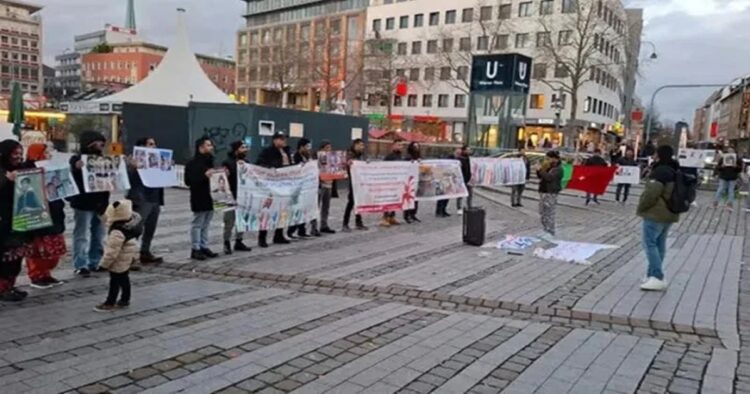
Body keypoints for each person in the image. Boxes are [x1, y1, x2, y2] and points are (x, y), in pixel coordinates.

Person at [636, 145, 680, 291]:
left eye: (656, 154)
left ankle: (657, 276)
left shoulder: (660, 171)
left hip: (656, 212)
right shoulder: (675, 169)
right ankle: (652, 274)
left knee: (649, 243)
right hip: (670, 212)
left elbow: (651, 193)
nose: (654, 156)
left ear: (659, 155)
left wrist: (641, 208)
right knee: (660, 243)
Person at [68, 131, 110, 278]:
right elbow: (72, 170)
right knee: (82, 234)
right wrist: (77, 167)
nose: (102, 145)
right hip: (83, 203)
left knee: (98, 235)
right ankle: (80, 264)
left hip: (100, 203)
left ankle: (95, 261)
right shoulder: (77, 159)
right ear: (90, 143)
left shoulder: (104, 159)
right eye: (99, 142)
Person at [24, 143, 66, 289]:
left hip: (54, 212)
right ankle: (37, 275)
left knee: (52, 249)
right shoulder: (26, 169)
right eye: (46, 153)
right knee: (37, 249)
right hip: (36, 215)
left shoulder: (51, 168)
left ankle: (46, 274)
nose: (49, 155)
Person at [93, 199, 143, 312]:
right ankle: (125, 299)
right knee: (124, 280)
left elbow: (112, 252)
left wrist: (103, 265)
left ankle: (110, 302)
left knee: (114, 282)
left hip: (118, 261)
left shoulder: (117, 231)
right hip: (127, 259)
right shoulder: (131, 225)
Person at [0, 140, 31, 301]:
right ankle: (3, 288)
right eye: (15, 153)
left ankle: (10, 285)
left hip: (20, 220)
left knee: (16, 257)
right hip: (4, 221)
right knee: (5, 257)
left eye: (20, 153)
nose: (18, 157)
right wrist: (6, 180)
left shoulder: (22, 169)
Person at [126, 138, 165, 266]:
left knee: (151, 227)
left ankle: (145, 251)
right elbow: (128, 179)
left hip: (154, 197)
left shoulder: (156, 159)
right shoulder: (133, 160)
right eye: (150, 144)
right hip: (141, 197)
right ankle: (129, 255)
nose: (154, 146)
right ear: (142, 146)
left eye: (154, 144)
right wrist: (133, 167)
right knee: (136, 227)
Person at [256, 132, 294, 247]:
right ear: (275, 140)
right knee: (267, 211)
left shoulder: (287, 151)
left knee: (283, 211)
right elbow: (259, 164)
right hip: (272, 185)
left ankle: (279, 234)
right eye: (281, 139)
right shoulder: (267, 152)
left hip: (285, 185)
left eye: (284, 139)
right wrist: (270, 168)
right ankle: (262, 237)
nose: (284, 141)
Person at [185, 137, 219, 260]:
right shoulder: (192, 163)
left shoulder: (209, 161)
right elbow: (188, 181)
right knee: (197, 223)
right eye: (208, 145)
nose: (211, 147)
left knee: (206, 223)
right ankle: (195, 248)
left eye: (211, 145)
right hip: (199, 196)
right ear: (201, 148)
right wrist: (204, 176)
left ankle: (204, 246)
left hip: (211, 196)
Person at [221, 141, 252, 254]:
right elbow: (223, 178)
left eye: (245, 147)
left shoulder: (247, 162)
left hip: (244, 195)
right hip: (231, 195)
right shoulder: (227, 162)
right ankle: (226, 242)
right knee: (229, 221)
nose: (245, 149)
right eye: (242, 147)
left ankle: (239, 240)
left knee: (242, 220)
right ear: (236, 150)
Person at [289, 138, 314, 238]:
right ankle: (291, 230)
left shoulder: (307, 157)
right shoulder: (296, 156)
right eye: (307, 147)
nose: (309, 149)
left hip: (306, 186)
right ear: (301, 147)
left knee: (304, 209)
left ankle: (301, 230)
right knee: (296, 209)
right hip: (297, 186)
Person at [312, 140, 337, 235]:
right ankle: (313, 227)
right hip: (320, 184)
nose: (329, 150)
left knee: (326, 206)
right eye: (326, 148)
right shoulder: (317, 158)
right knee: (316, 206)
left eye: (330, 148)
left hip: (329, 184)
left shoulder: (332, 158)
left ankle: (324, 224)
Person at [342, 138, 367, 232]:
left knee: (358, 202)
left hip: (359, 182)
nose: (362, 147)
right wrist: (348, 164)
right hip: (353, 182)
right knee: (351, 203)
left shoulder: (360, 156)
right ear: (355, 145)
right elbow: (344, 165)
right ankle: (345, 223)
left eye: (363, 145)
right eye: (360, 145)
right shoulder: (350, 155)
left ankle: (359, 222)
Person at [537, 150, 563, 236]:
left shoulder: (558, 168)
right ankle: (545, 229)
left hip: (551, 192)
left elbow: (549, 178)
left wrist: (541, 170)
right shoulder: (549, 166)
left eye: (549, 158)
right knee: (542, 212)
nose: (547, 160)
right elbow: (541, 176)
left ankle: (550, 231)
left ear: (554, 159)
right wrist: (539, 170)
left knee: (549, 213)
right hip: (543, 191)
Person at [382, 141, 403, 226]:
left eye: (401, 145)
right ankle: (385, 218)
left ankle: (392, 217)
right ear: (393, 146)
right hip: (389, 181)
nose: (400, 147)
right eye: (398, 145)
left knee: (395, 199)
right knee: (388, 200)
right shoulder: (389, 156)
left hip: (397, 182)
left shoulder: (400, 156)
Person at [404, 142, 422, 223]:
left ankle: (413, 214)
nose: (416, 148)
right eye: (415, 146)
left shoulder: (419, 157)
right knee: (408, 199)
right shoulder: (408, 157)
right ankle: (407, 215)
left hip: (417, 180)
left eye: (417, 146)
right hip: (409, 181)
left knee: (416, 199)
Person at [455, 145, 472, 215]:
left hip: (469, 179)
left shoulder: (469, 158)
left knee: (470, 194)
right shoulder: (460, 159)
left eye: (470, 150)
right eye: (468, 150)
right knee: (460, 194)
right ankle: (459, 208)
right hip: (462, 179)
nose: (469, 151)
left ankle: (469, 206)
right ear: (464, 150)